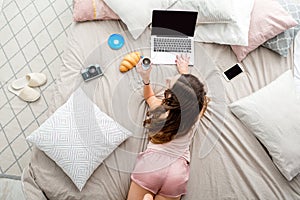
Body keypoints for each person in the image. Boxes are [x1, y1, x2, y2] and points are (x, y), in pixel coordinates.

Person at [127, 54, 209, 200]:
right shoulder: (196, 113)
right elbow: (196, 96)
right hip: (177, 171)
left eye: (170, 85)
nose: (167, 80)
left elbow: (149, 97)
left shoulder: (161, 111)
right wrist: (184, 73)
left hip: (151, 166)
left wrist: (146, 79)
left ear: (173, 100)